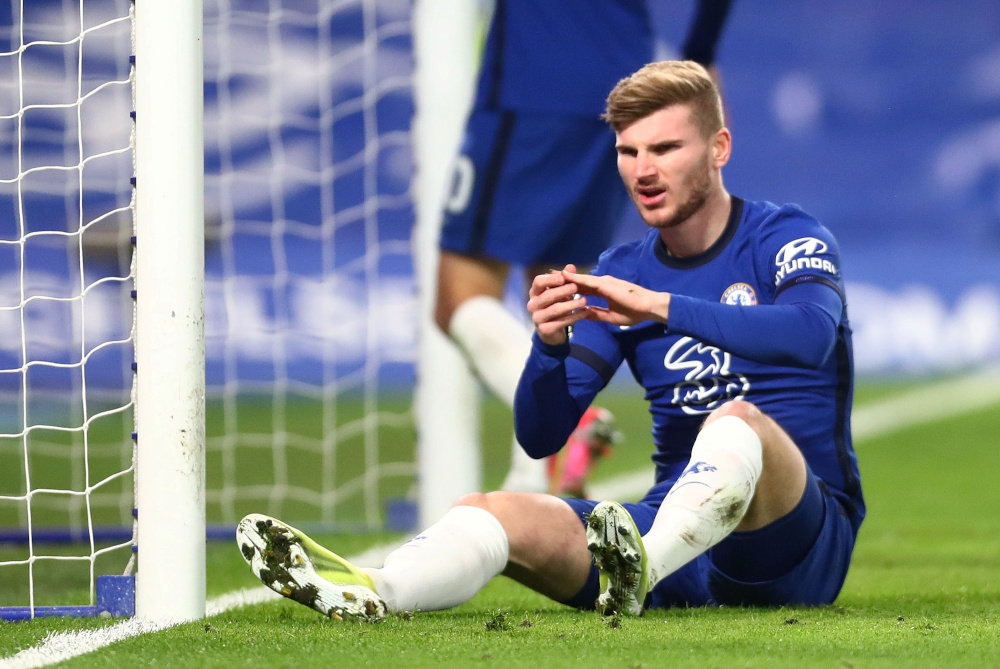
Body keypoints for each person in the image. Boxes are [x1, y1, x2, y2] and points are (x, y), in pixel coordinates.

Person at [237, 60, 864, 621]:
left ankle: (639, 568)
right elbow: (541, 434)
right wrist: (549, 345)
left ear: (718, 148)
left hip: (797, 546)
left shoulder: (787, 237)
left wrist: (661, 306)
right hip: (675, 543)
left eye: (665, 148)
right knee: (495, 510)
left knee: (737, 424)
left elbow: (810, 335)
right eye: (627, 151)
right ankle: (373, 590)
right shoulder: (622, 268)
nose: (642, 171)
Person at [432, 0, 735, 494]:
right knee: (556, 288)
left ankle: (568, 421)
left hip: (534, 82)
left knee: (458, 298)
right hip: (622, 88)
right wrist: (699, 55)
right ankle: (540, 477)